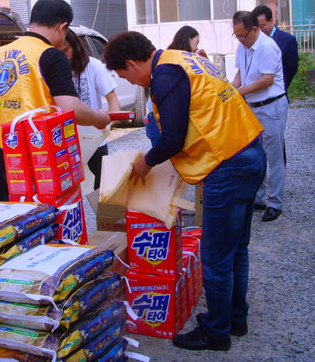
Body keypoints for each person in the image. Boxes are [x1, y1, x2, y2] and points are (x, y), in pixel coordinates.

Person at [104, 31, 266, 352]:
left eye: (125, 76)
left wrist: (146, 163)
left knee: (216, 255)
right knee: (236, 248)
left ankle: (216, 332)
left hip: (228, 164)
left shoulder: (165, 74)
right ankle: (235, 318)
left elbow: (173, 137)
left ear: (132, 63)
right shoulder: (184, 60)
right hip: (248, 151)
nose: (131, 82)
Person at [0, 0, 110, 201]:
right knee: (43, 216)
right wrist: (98, 118)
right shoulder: (50, 55)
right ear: (63, 27)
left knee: (12, 216)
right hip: (33, 153)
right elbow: (70, 107)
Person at [232, 11, 288, 222]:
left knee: (274, 155)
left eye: (242, 35)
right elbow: (241, 73)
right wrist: (230, 89)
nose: (240, 40)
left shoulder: (267, 46)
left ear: (255, 29)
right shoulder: (243, 46)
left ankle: (275, 203)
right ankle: (259, 198)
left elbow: (267, 80)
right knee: (256, 153)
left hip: (271, 105)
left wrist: (239, 92)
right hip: (252, 106)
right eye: (236, 35)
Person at [62, 29, 120, 190]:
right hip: (66, 140)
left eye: (66, 49)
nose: (63, 55)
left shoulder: (93, 66)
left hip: (94, 139)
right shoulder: (56, 69)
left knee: (101, 185)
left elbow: (112, 99)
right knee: (69, 186)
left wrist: (109, 123)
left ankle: (101, 208)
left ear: (76, 45)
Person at [145, 25, 206, 146]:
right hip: (157, 118)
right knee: (166, 154)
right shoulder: (174, 63)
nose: (197, 48)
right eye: (196, 42)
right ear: (188, 40)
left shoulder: (171, 57)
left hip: (159, 116)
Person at [252, 5, 299, 92]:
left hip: (277, 91)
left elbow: (291, 68)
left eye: (262, 26)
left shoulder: (287, 40)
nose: (259, 30)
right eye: (256, 27)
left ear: (271, 21)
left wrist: (281, 85)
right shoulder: (252, 41)